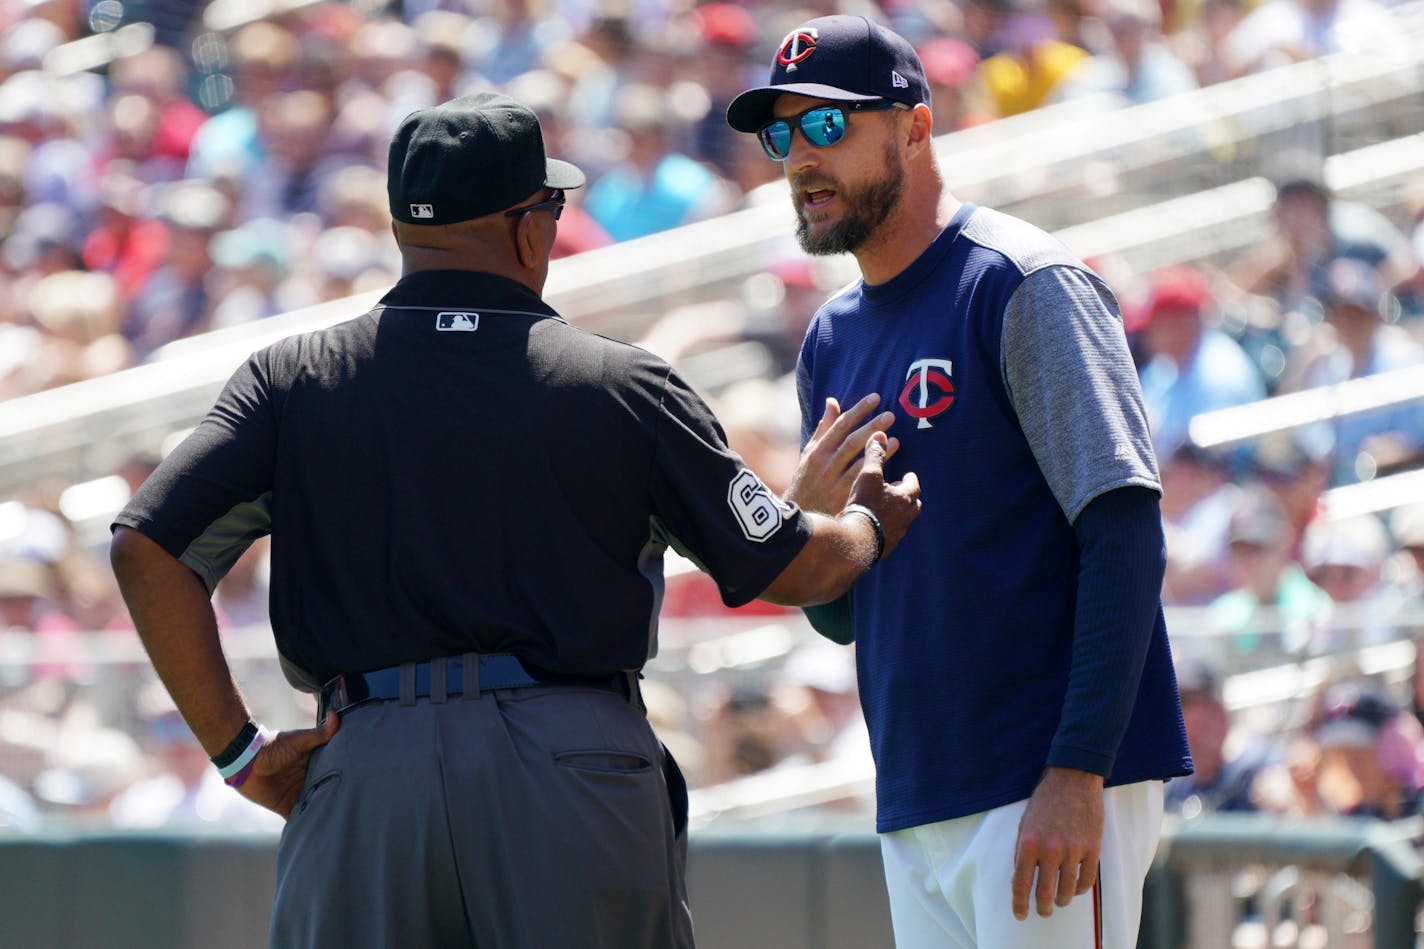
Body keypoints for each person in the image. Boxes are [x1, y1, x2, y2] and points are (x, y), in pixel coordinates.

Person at [109, 92, 922, 948]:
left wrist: (236, 750)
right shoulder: (617, 384)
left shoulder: (293, 379)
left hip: (366, 762)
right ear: (529, 227)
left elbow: (146, 543)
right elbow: (794, 566)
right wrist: (863, 523)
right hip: (566, 762)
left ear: (398, 227)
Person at [725, 17, 1190, 948]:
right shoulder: (831, 338)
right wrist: (818, 532)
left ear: (914, 126)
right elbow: (849, 614)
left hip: (1041, 779)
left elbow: (1127, 531)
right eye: (781, 136)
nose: (799, 161)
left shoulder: (1020, 281)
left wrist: (1078, 770)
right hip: (919, 785)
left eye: (827, 127)